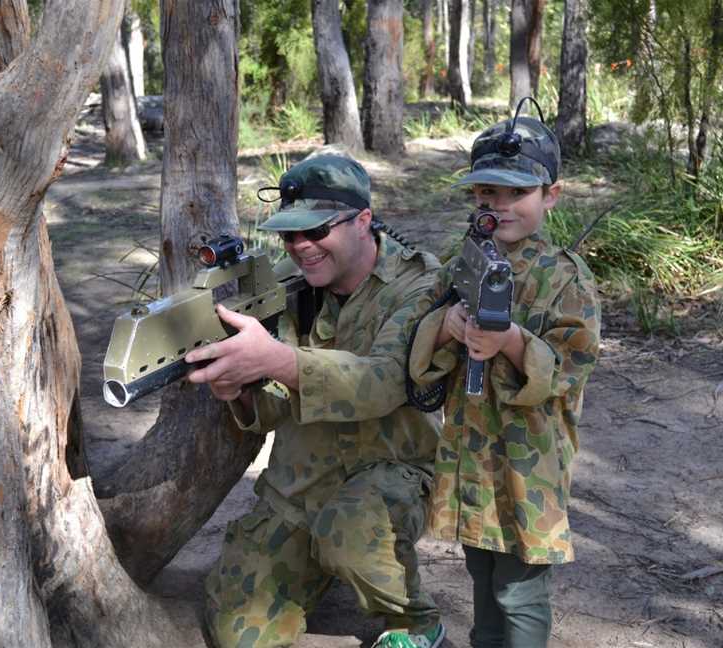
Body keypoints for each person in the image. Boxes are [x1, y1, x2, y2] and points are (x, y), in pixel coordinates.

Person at [185, 154, 447, 648]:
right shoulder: (287, 284)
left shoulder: (420, 284)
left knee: (348, 531)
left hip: (390, 472)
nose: (302, 246)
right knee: (239, 635)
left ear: (363, 220)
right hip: (301, 484)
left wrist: (274, 359)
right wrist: (239, 392)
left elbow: (385, 382)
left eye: (317, 230)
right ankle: (320, 562)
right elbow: (273, 405)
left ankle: (415, 621)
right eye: (290, 235)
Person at [406, 111, 601, 648]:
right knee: (483, 574)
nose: (499, 206)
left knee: (520, 589)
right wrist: (443, 327)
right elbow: (421, 337)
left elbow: (571, 366)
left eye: (518, 192)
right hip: (472, 457)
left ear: (551, 195)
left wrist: (511, 343)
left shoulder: (564, 277)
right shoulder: (460, 258)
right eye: (487, 193)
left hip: (526, 468)